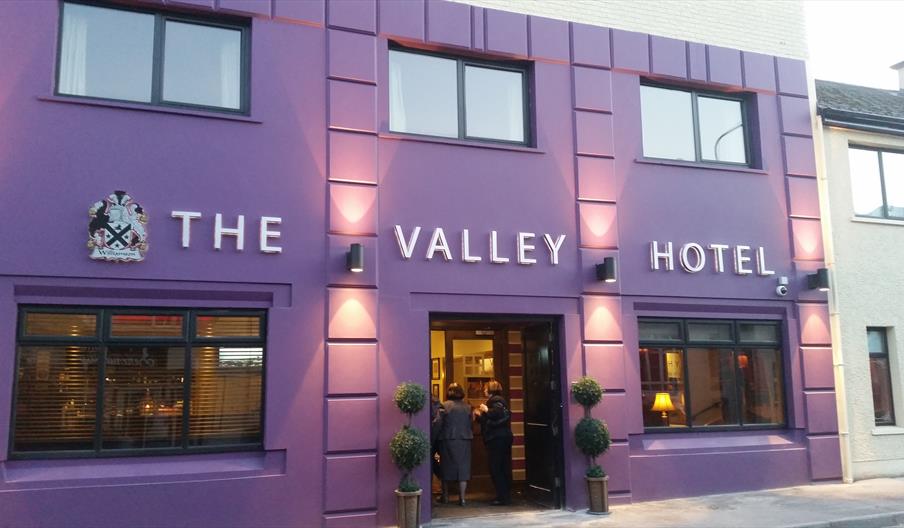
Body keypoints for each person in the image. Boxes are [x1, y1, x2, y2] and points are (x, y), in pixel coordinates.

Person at [475, 379, 513, 506]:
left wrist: (485, 409)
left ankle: (503, 497)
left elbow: (496, 414)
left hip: (497, 438)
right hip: (502, 437)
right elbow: (491, 419)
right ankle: (504, 495)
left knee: (496, 467)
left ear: (491, 389)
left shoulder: (496, 400)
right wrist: (479, 415)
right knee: (501, 466)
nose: (484, 390)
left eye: (486, 388)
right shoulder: (498, 400)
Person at [438, 383, 473, 506]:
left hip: (447, 439)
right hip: (464, 439)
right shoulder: (468, 407)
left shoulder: (444, 405)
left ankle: (445, 496)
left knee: (445, 468)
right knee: (463, 469)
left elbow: (439, 423)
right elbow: (471, 424)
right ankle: (462, 499)